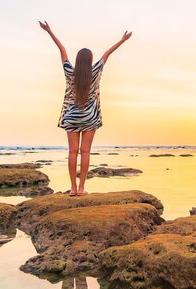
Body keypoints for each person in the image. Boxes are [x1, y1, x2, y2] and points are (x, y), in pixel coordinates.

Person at [39, 21, 132, 196]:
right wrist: (123, 40)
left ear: (77, 61)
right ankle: (82, 188)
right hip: (90, 117)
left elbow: (62, 50)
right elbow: (107, 54)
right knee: (86, 151)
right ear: (90, 61)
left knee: (73, 152)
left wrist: (49, 31)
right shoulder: (96, 70)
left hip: (72, 116)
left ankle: (73, 188)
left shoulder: (69, 72)